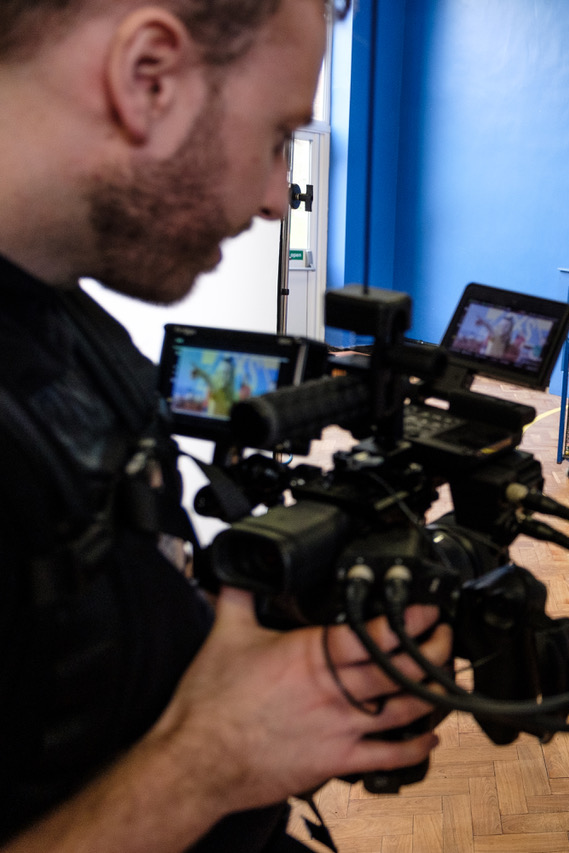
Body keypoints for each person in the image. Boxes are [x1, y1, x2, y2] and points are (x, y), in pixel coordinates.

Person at [0, 2, 452, 851]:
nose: (278, 200)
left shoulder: (69, 317)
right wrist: (207, 761)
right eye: (279, 136)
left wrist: (261, 640)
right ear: (149, 76)